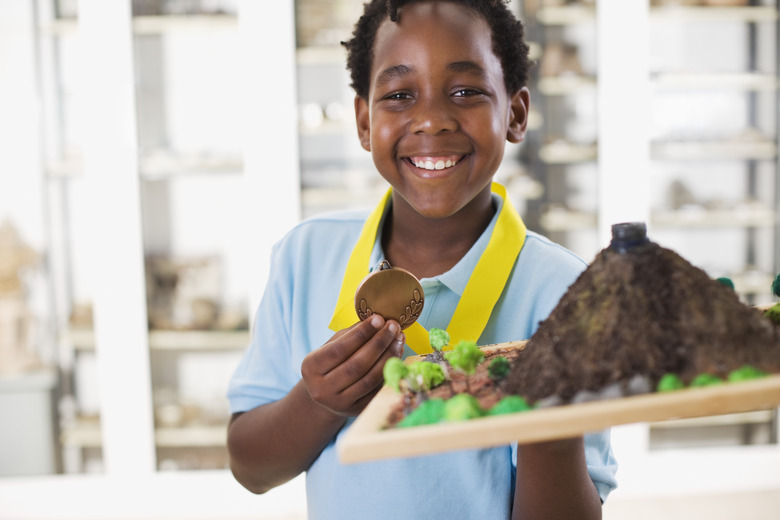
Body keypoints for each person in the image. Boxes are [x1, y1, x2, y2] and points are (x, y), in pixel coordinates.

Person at [227, 1, 618, 518]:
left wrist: (545, 420)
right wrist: (317, 402)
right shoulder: (306, 255)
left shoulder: (570, 293)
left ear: (516, 115)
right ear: (365, 123)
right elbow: (252, 469)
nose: (432, 120)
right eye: (399, 95)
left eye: (465, 92)